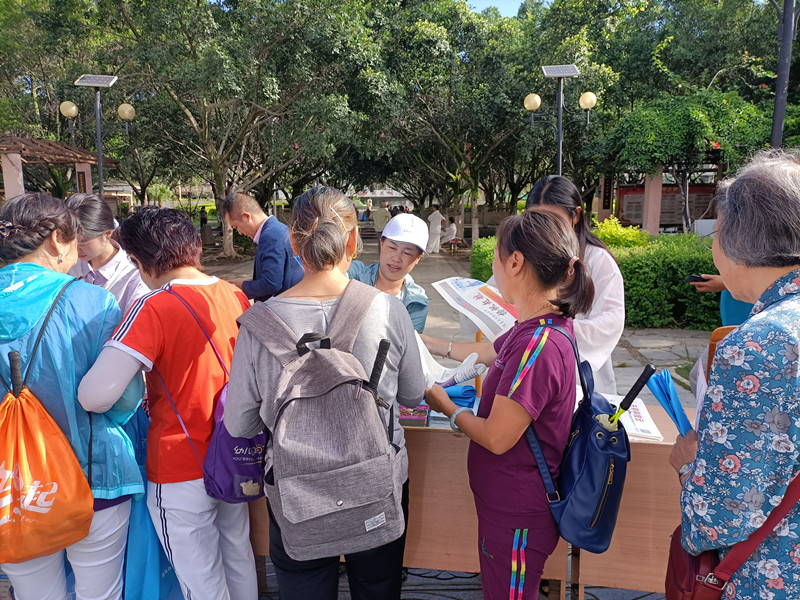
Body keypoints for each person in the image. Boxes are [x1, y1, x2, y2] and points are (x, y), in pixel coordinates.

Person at [224, 186, 425, 600]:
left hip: (297, 492)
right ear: (354, 239)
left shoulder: (258, 324)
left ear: (293, 241)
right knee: (377, 588)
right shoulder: (389, 310)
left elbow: (240, 423)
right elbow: (411, 394)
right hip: (376, 482)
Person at [78, 207, 258, 600]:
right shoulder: (235, 295)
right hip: (233, 454)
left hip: (181, 463)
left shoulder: (154, 305)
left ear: (138, 261)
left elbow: (95, 395)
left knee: (200, 578)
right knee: (237, 556)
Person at [423, 209, 594, 600]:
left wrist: (448, 407)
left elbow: (497, 437)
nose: (494, 269)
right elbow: (487, 352)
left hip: (518, 513)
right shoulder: (535, 327)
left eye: (497, 258)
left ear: (515, 262)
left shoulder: (538, 347)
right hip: (506, 507)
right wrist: (424, 342)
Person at [670, 151, 800, 600]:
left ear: (734, 240)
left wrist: (688, 464)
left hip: (769, 576)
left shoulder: (756, 345)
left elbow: (717, 517)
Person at [0, 193, 144, 600]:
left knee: (34, 593)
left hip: (12, 487)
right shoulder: (92, 301)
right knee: (101, 592)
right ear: (56, 240)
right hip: (93, 475)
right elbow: (124, 399)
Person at [526, 175, 624, 394]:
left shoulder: (598, 260)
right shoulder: (526, 254)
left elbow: (610, 322)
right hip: (529, 368)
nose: (547, 230)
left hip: (580, 377)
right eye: (538, 220)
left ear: (576, 215)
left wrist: (549, 330)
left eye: (555, 221)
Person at [66, 193, 149, 315]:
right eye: (68, 241)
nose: (75, 248)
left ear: (108, 233)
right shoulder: (66, 265)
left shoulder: (133, 276)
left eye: (82, 242)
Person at [348, 212, 430, 333]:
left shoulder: (417, 302)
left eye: (407, 253)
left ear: (418, 258)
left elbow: (409, 341)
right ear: (381, 244)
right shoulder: (355, 274)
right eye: (392, 248)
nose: (396, 258)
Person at [222, 191, 303, 302]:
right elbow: (279, 276)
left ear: (246, 217)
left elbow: (271, 283)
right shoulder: (278, 228)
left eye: (236, 227)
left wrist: (241, 286)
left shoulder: (270, 236)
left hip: (279, 306)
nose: (239, 232)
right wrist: (246, 283)